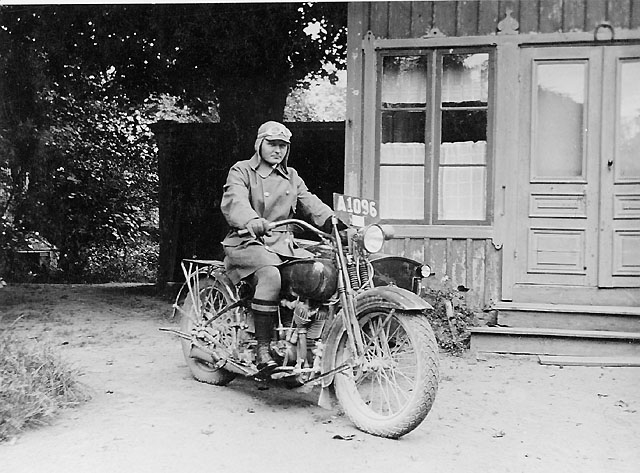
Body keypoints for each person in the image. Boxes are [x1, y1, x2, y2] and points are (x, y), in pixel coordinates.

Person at [220, 121, 335, 372]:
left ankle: (303, 338)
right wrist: (251, 220)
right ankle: (263, 348)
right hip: (248, 241)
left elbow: (311, 202)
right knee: (271, 275)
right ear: (259, 144)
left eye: (283, 145)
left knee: (318, 270)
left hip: (284, 244)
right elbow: (235, 200)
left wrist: (335, 223)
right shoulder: (242, 170)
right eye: (272, 144)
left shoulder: (291, 176)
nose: (277, 150)